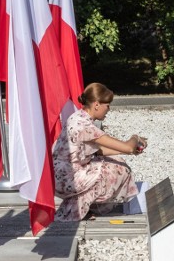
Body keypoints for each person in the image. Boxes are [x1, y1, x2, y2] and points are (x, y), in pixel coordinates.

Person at [52, 82, 148, 221]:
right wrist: (135, 138)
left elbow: (99, 151)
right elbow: (127, 146)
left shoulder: (77, 117)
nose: (108, 109)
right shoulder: (85, 126)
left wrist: (130, 151)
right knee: (119, 169)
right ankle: (80, 208)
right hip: (68, 179)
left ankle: (85, 205)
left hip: (60, 176)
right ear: (97, 104)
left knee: (114, 162)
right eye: (107, 105)